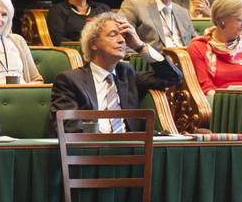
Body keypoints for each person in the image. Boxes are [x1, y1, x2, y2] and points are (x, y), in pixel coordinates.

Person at [47, 13, 184, 134]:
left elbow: (173, 76)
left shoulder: (127, 75)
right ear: (93, 44)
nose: (122, 40)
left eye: (124, 36)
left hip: (132, 154)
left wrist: (140, 46)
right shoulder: (69, 80)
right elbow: (69, 127)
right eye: (113, 35)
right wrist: (107, 144)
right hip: (91, 154)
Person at [185, 0, 242, 93]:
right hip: (216, 103)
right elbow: (206, 87)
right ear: (222, 19)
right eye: (239, 20)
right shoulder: (197, 46)